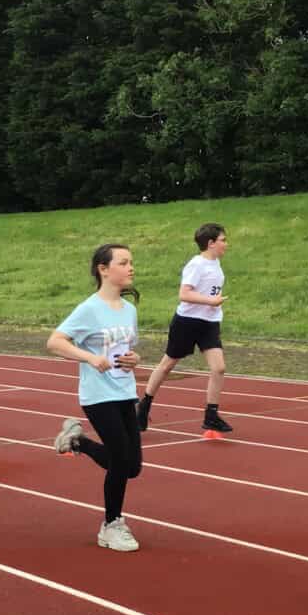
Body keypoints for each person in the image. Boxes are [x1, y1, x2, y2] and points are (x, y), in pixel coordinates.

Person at [46, 243, 144, 552]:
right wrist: (88, 357)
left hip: (125, 390)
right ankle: (111, 525)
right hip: (98, 396)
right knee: (120, 461)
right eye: (123, 262)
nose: (131, 267)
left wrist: (134, 359)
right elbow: (55, 342)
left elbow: (127, 348)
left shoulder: (129, 310)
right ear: (103, 269)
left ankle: (78, 442)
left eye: (131, 262)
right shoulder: (89, 309)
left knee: (132, 467)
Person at [136, 223, 231, 433]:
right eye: (223, 240)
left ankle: (211, 415)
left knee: (219, 368)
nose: (226, 244)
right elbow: (184, 294)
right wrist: (210, 301)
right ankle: (144, 406)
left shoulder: (216, 263)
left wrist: (213, 306)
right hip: (187, 322)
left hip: (209, 323)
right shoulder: (196, 265)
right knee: (167, 366)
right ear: (211, 243)